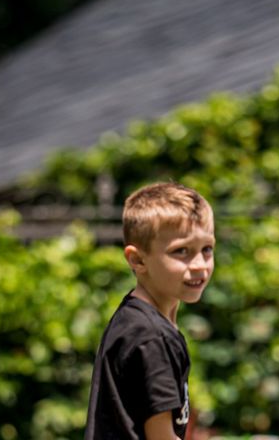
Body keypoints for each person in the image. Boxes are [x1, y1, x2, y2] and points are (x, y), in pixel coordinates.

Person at [84, 182, 216, 440]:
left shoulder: (137, 320)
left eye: (207, 249)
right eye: (182, 251)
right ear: (137, 260)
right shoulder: (151, 336)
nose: (200, 265)